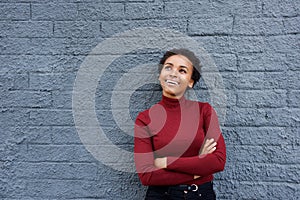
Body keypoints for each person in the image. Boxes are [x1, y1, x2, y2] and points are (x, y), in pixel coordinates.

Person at [134, 48, 226, 200]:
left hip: (200, 195)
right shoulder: (145, 119)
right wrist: (198, 167)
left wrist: (166, 162)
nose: (173, 73)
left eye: (182, 70)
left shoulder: (204, 111)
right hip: (161, 196)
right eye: (168, 67)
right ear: (160, 75)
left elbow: (218, 161)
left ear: (191, 82)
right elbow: (147, 176)